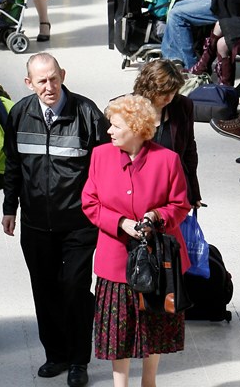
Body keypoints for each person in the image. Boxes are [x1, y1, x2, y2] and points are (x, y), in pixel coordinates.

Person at [3, 53, 109, 386]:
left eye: (53, 78)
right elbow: (12, 165)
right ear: (28, 83)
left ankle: (79, 360)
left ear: (62, 74)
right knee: (45, 289)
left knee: (75, 289)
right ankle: (56, 354)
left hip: (79, 224)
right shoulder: (19, 114)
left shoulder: (88, 114)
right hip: (36, 224)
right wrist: (10, 208)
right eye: (41, 81)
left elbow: (105, 169)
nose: (49, 87)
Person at [81, 94, 191, 387]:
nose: (109, 131)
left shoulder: (167, 160)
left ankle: (149, 381)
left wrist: (155, 216)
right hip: (115, 260)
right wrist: (120, 223)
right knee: (119, 329)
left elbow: (180, 205)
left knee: (155, 323)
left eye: (115, 125)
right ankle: (121, 385)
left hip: (156, 260)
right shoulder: (100, 156)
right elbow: (90, 203)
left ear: (135, 127)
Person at [132, 59, 201, 207]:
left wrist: (194, 191)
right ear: (149, 88)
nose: (169, 99)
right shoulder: (127, 107)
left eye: (173, 92)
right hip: (137, 189)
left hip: (171, 188)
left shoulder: (183, 106)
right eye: (163, 94)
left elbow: (189, 149)